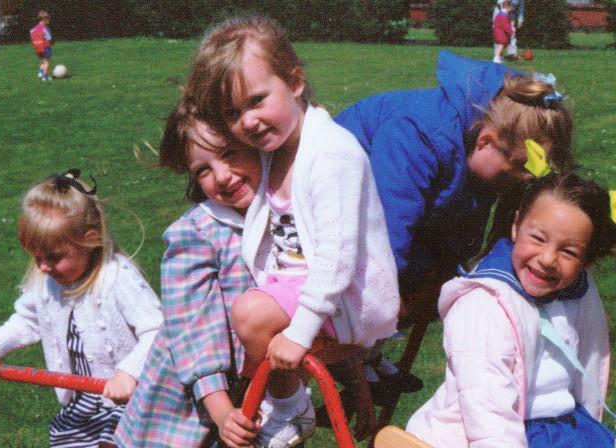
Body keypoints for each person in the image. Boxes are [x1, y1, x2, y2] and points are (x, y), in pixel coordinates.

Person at [184, 15, 400, 447]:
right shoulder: (273, 151)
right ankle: (268, 397)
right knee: (238, 307)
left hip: (348, 297)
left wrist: (301, 331)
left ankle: (289, 407)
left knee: (249, 313)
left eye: (257, 100)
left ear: (296, 81)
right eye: (233, 113)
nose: (248, 121)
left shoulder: (330, 154)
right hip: (304, 284)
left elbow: (337, 257)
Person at [334, 52, 574, 314]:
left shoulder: (484, 158)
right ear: (485, 142)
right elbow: (389, 224)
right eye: (513, 171)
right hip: (332, 205)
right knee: (372, 302)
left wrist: (452, 273)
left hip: (376, 216)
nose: (514, 183)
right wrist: (392, 294)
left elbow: (467, 225)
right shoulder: (418, 134)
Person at [406, 172, 616, 447]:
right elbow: (488, 411)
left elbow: (585, 365)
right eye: (538, 238)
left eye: (568, 252)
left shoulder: (575, 292)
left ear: (586, 260)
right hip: (496, 432)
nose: (548, 259)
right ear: (516, 226)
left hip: (561, 427)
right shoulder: (484, 307)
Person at [114, 103, 263, 448]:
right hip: (185, 410)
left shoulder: (278, 218)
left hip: (248, 394)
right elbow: (196, 334)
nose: (223, 175)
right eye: (203, 170)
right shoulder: (196, 235)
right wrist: (222, 411)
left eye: (229, 153)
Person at [0, 170, 163, 447]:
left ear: (89, 239)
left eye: (54, 257)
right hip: (82, 405)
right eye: (37, 258)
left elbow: (159, 331)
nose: (43, 267)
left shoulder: (117, 277)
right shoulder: (47, 283)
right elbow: (27, 321)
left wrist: (129, 371)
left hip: (131, 401)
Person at [30, 9, 53, 81]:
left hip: (37, 47)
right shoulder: (45, 28)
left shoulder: (35, 28)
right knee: (47, 62)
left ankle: (40, 73)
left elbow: (31, 32)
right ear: (44, 19)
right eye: (48, 19)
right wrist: (50, 41)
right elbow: (49, 37)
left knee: (43, 61)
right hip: (45, 46)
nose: (49, 21)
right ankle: (45, 77)